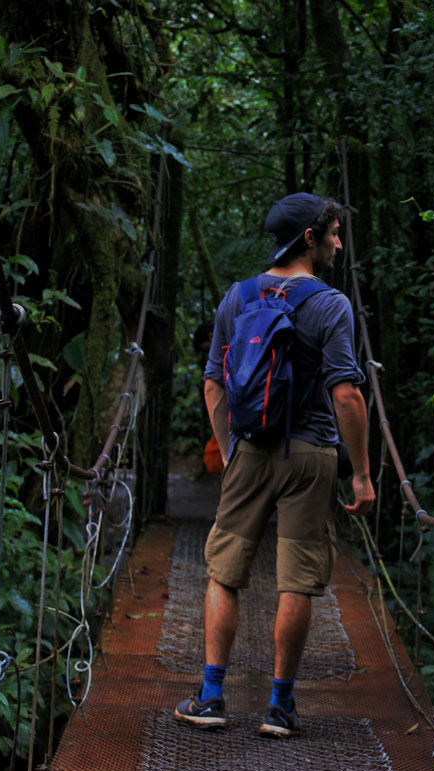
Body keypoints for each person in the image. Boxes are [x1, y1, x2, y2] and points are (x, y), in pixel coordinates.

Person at [174, 192, 375, 737]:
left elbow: (214, 383)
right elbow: (347, 395)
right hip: (311, 456)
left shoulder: (236, 298)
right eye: (333, 232)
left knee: (224, 571)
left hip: (250, 452)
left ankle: (211, 697)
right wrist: (359, 471)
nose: (338, 242)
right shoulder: (332, 304)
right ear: (309, 237)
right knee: (297, 580)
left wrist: (232, 449)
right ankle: (279, 708)